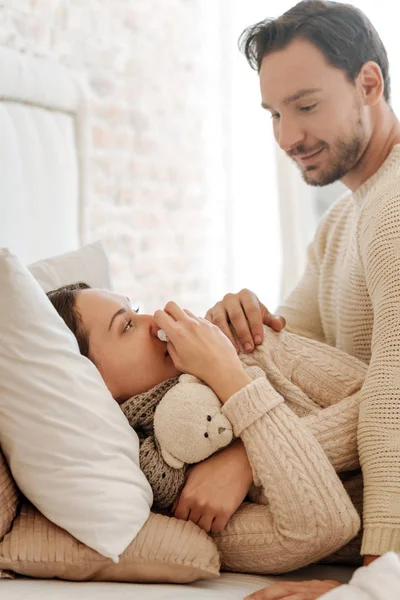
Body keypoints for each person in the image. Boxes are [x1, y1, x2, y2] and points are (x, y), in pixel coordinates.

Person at [201, 0, 400, 597]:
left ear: (368, 83)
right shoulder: (342, 221)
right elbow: (289, 354)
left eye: (306, 106)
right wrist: (232, 325)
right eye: (274, 114)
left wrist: (372, 583)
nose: (288, 137)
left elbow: (394, 395)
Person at [47, 282, 366, 579]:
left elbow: (387, 404)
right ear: (92, 384)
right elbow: (323, 527)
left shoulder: (244, 346)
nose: (156, 320)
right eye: (127, 325)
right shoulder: (173, 488)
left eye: (137, 308)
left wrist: (247, 455)